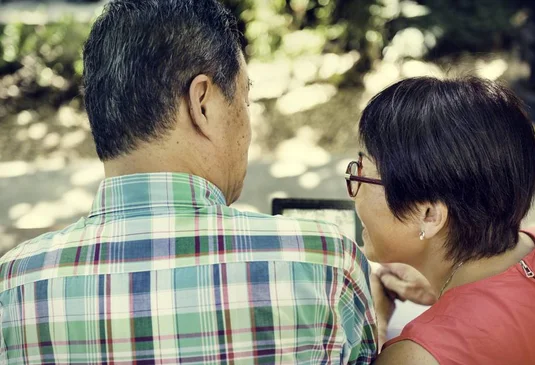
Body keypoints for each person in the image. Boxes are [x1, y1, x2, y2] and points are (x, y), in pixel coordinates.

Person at [0, 1, 377, 363]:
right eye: (245, 101)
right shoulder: (324, 262)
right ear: (202, 103)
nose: (248, 125)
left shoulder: (15, 283)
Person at [344, 76, 535, 364]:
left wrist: (374, 322)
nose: (354, 193)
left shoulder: (418, 356)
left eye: (361, 174)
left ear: (429, 215)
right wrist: (440, 286)